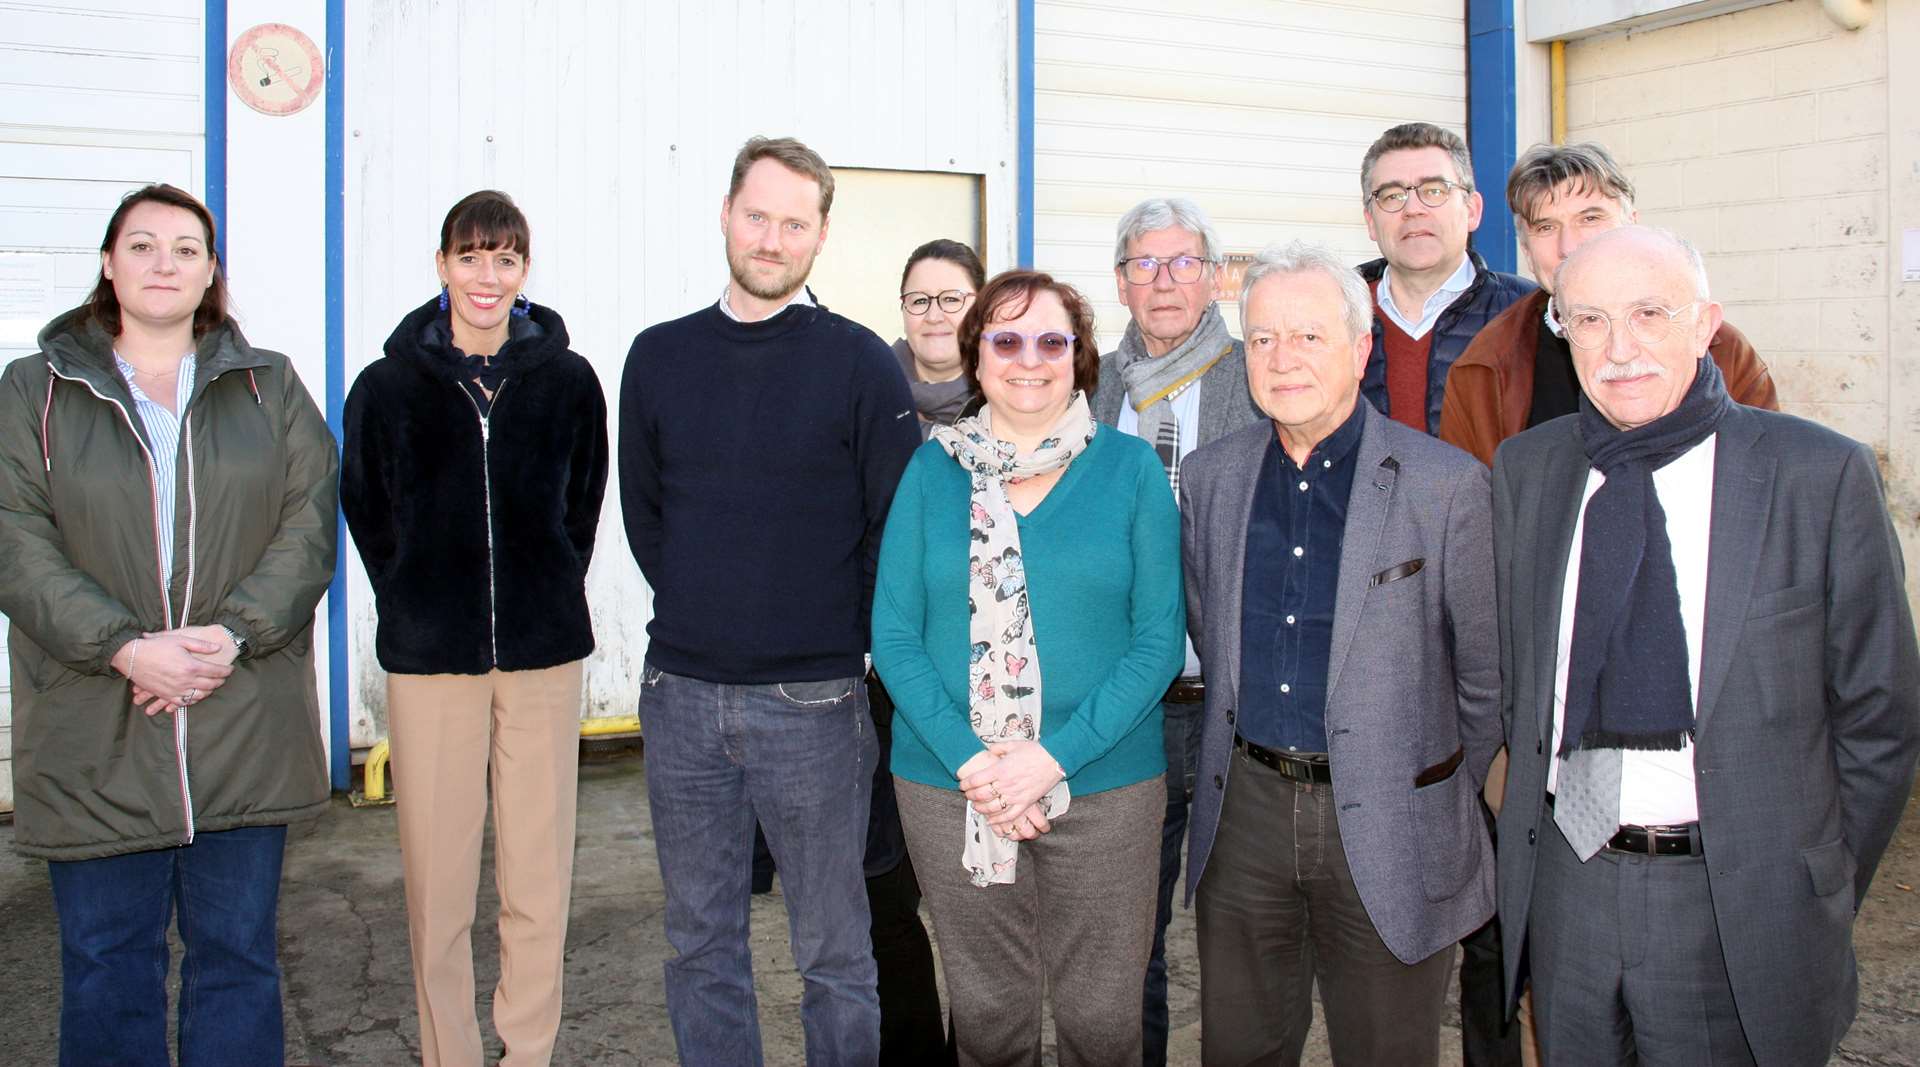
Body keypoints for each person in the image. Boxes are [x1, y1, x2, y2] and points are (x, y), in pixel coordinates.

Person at [1493, 226, 1919, 1065]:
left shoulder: (1816, 476)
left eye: (1650, 313)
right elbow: (1516, 682)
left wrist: (1814, 879)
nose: (1620, 348)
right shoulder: (1527, 471)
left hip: (1736, 900)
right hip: (1570, 888)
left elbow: (1881, 716)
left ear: (1705, 323)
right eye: (1589, 321)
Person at [0, 182, 338, 1065]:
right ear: (109, 264)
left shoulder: (269, 386)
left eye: (186, 248)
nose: (164, 263)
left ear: (211, 271)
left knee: (237, 963)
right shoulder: (34, 390)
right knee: (108, 966)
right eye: (143, 245)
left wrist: (228, 636)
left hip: (241, 726)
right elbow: (15, 539)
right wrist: (124, 646)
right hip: (95, 735)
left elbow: (308, 526)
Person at [618, 135, 921, 1066]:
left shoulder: (861, 363)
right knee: (700, 942)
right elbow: (646, 514)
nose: (772, 237)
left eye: (796, 222)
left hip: (817, 704)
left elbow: (894, 527)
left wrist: (830, 637)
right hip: (681, 698)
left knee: (835, 948)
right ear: (725, 213)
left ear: (821, 236)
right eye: (759, 214)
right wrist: (716, 609)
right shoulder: (659, 356)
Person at [1181, 241, 1500, 1065]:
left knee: (1386, 1050)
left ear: (1360, 349)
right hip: (1245, 809)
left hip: (1393, 818)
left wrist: (1432, 789)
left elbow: (1486, 677)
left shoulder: (1446, 484)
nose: (1282, 360)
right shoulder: (1211, 478)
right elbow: (1206, 619)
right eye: (1262, 339)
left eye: (1309, 337)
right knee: (1240, 1049)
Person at [873, 269, 1186, 1066]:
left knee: (1103, 1018)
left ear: (1080, 356)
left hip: (1107, 787)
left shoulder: (1131, 471)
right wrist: (979, 765)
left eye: (1052, 340)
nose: (1029, 359)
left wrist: (1047, 758)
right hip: (953, 788)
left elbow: (1158, 642)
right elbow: (895, 637)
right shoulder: (929, 472)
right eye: (1006, 340)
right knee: (988, 1015)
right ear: (976, 357)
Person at [340, 190, 608, 1067]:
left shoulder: (569, 381)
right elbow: (370, 511)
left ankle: (526, 1049)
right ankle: (448, 1052)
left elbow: (582, 508)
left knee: (538, 874)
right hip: (432, 659)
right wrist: (416, 595)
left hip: (541, 653)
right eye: (470, 256)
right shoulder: (385, 388)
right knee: (439, 881)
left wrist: (545, 586)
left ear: (525, 269)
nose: (486, 277)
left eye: (505, 259)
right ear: (442, 265)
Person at [1087, 196, 1263, 1065]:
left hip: (1234, 702)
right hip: (1131, 713)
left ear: (1214, 277)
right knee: (1128, 941)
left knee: (1243, 938)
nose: (1164, 281)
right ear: (1121, 282)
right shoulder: (1097, 386)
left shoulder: (1257, 375)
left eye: (1183, 262)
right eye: (1145, 264)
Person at [1440, 141, 1777, 466]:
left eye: (1590, 218)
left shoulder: (1724, 351)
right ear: (1526, 251)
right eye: (1546, 226)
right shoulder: (1483, 368)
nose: (1570, 246)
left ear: (1633, 223)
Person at [1357, 121, 1536, 434]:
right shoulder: (1334, 314)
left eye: (1434, 191)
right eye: (1391, 196)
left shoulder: (1528, 314)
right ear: (1371, 221)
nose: (1413, 209)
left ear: (1472, 210)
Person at [895, 238, 985, 437]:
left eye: (951, 299)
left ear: (981, 309)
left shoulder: (1010, 398)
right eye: (919, 300)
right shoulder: (867, 388)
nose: (933, 317)